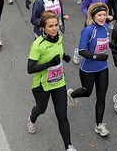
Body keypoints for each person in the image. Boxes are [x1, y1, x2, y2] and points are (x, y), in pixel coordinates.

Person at [26, 11, 77, 151]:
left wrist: (64, 56)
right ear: (43, 28)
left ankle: (69, 146)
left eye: (56, 25)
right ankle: (32, 117)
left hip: (59, 82)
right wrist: (49, 63)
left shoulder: (59, 37)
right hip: (42, 85)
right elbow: (30, 68)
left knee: (62, 116)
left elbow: (57, 53)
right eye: (51, 26)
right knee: (41, 109)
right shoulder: (38, 44)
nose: (54, 28)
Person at [66, 3, 111, 137]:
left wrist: (116, 47)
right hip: (88, 69)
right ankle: (72, 94)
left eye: (104, 14)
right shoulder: (88, 30)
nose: (102, 18)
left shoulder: (106, 27)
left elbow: (106, 42)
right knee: (87, 92)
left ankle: (99, 125)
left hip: (103, 68)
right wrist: (97, 56)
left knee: (101, 96)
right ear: (93, 16)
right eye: (99, 15)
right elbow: (81, 51)